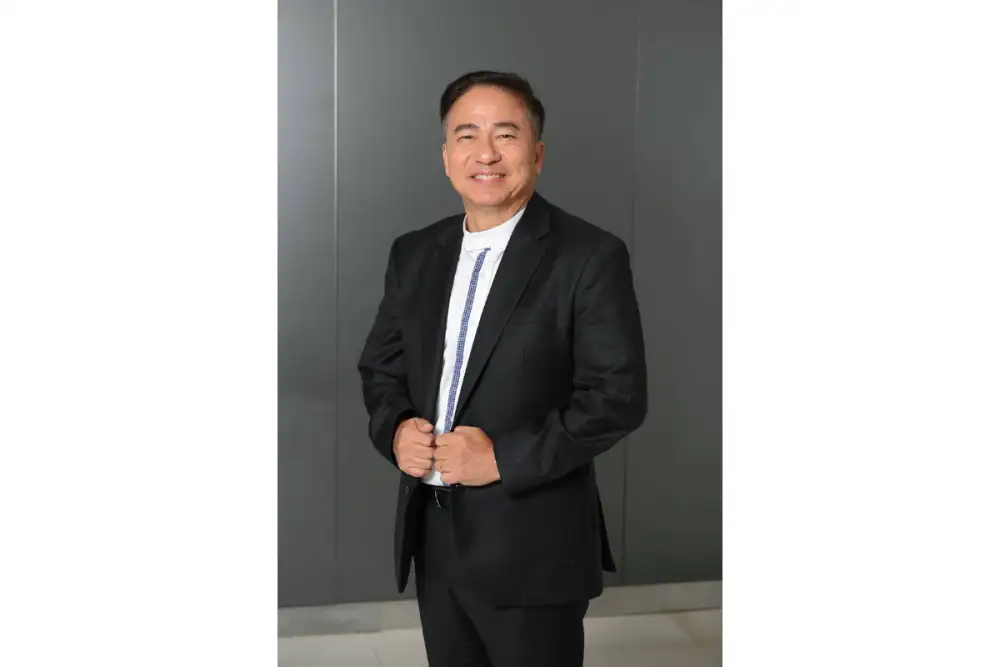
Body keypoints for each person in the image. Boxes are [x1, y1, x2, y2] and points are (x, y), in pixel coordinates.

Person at [357, 70, 647, 667]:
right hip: (434, 535)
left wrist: (500, 459)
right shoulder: (414, 253)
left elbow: (617, 396)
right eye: (467, 135)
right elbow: (381, 369)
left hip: (532, 542)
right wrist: (395, 429)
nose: (485, 153)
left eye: (506, 135)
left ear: (536, 153)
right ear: (446, 156)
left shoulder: (588, 255)